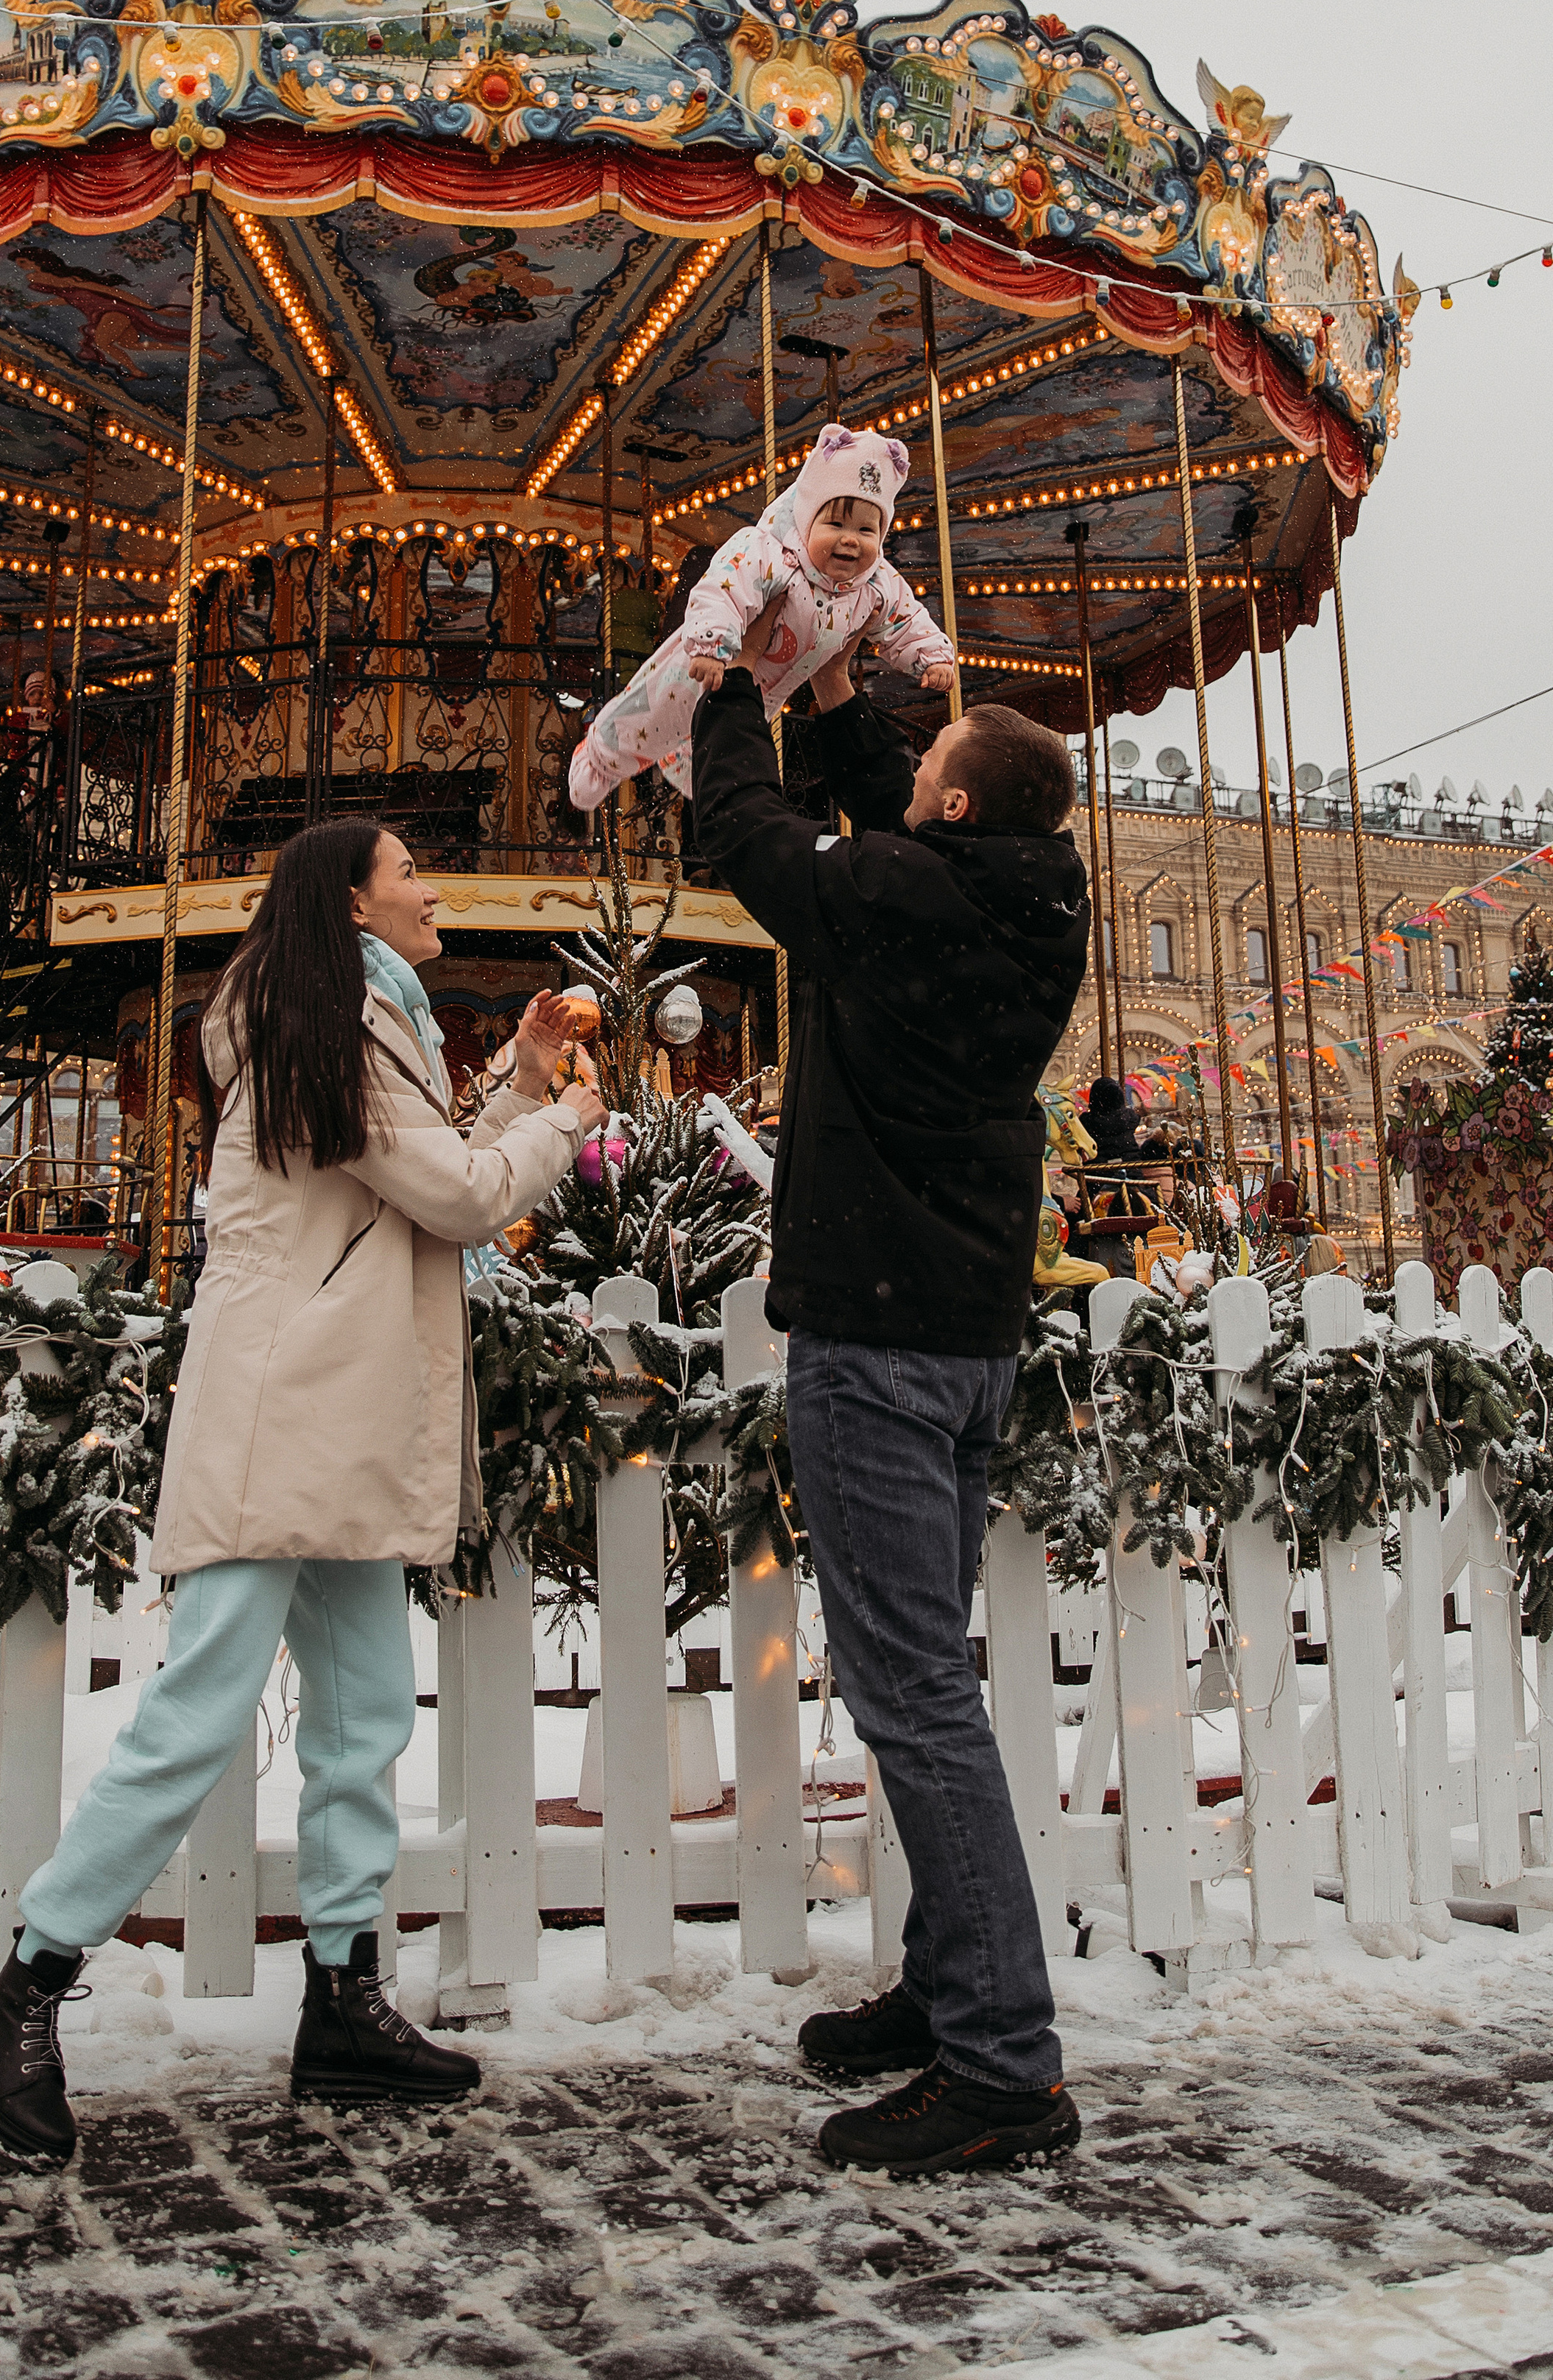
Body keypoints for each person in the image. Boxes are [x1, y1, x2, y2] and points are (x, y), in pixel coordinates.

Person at [0, 819, 607, 2164]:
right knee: (199, 1710)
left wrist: (517, 1087)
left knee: (361, 1715)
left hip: (338, 1405)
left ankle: (346, 1998)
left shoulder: (356, 1020)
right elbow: (464, 1201)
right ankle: (25, 1991)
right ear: (353, 902)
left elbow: (409, 1178)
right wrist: (565, 1122)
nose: (432, 890)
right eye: (410, 871)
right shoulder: (328, 1025)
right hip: (290, 1404)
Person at [690, 612, 1090, 2179]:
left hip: (874, 1335)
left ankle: (1001, 2066)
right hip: (970, 1331)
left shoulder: (899, 893)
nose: (905, 779)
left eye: (924, 768)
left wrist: (724, 679)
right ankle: (947, 1993)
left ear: (952, 808)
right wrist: (843, 695)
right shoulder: (1017, 896)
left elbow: (748, 836)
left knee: (913, 1692)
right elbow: (886, 813)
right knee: (935, 1684)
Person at [568, 423, 955, 812]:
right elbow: (724, 588)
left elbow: (907, 619)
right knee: (650, 717)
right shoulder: (771, 555)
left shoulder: (877, 584)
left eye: (867, 530)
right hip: (705, 662)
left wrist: (931, 655)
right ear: (806, 520)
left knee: (725, 738)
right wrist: (711, 642)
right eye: (835, 524)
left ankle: (688, 769)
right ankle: (600, 755)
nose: (851, 539)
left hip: (762, 691)